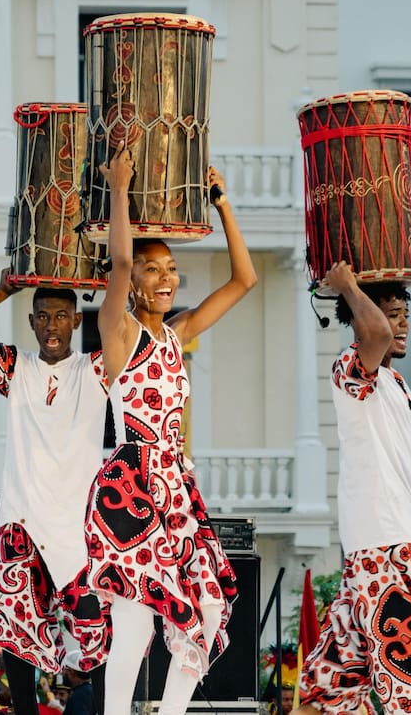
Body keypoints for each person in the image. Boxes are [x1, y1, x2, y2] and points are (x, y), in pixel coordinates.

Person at [86, 147, 257, 713]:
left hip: (176, 486)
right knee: (135, 622)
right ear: (133, 280)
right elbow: (115, 265)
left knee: (207, 610)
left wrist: (223, 204)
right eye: (152, 268)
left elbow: (244, 280)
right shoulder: (120, 331)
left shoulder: (176, 334)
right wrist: (119, 188)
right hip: (131, 483)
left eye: (171, 268)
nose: (166, 277)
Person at [296, 263, 411, 715]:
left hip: (381, 546)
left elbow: (406, 454)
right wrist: (348, 286)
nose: (400, 325)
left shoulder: (397, 384)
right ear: (363, 319)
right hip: (386, 546)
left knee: (330, 686)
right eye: (390, 314)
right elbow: (378, 337)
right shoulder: (350, 369)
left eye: (405, 315)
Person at [0, 275, 109, 715]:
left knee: (97, 634)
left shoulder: (97, 369)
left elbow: (137, 337)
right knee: (15, 632)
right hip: (21, 519)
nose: (51, 325)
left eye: (61, 316)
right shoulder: (16, 367)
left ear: (77, 320)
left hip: (78, 525)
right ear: (31, 321)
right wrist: (3, 290)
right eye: (42, 316)